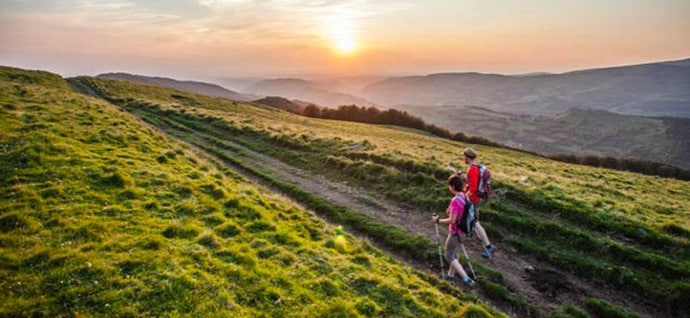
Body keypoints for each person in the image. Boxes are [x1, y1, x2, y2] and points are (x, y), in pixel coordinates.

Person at [432, 173, 476, 287]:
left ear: (452, 186)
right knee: (455, 253)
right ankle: (450, 275)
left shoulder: (455, 200)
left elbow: (452, 220)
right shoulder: (464, 196)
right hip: (464, 231)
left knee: (449, 256)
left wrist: (438, 221)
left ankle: (466, 278)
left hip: (455, 232)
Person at [462, 147, 496, 259]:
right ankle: (464, 234)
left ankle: (489, 246)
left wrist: (463, 198)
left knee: (476, 223)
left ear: (467, 157)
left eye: (464, 156)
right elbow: (473, 182)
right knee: (468, 218)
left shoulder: (472, 169)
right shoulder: (476, 167)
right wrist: (463, 176)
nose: (463, 158)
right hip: (475, 198)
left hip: (473, 199)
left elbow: (472, 189)